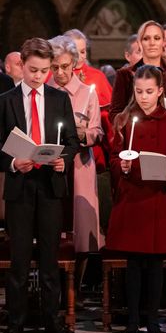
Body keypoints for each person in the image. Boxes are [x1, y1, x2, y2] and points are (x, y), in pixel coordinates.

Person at [0, 38, 79, 333]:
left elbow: (72, 141)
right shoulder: (5, 100)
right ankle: (16, 323)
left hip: (49, 186)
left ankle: (52, 321)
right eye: (33, 70)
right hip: (19, 186)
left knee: (49, 260)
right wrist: (11, 162)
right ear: (21, 64)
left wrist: (64, 160)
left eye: (44, 71)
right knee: (19, 261)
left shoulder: (60, 99)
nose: (38, 77)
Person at [106, 65, 166, 333]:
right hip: (133, 198)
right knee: (134, 264)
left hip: (158, 198)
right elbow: (114, 157)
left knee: (155, 265)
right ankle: (132, 319)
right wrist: (122, 167)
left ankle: (152, 319)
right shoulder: (126, 118)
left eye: (149, 91)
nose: (144, 97)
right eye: (139, 91)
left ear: (160, 91)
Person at [48, 35, 104, 301]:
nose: (60, 73)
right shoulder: (44, 89)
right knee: (54, 227)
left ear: (75, 64)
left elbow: (97, 131)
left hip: (80, 166)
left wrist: (82, 135)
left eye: (65, 67)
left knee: (81, 231)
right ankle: (52, 289)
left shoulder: (87, 92)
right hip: (51, 164)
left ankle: (76, 290)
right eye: (55, 67)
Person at [109, 20, 166, 130]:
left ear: (163, 42)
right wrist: (131, 119)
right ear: (139, 43)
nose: (152, 43)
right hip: (135, 137)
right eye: (146, 38)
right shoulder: (124, 75)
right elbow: (114, 114)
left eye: (157, 38)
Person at [64, 29, 113, 106]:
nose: (80, 57)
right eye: (75, 52)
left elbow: (111, 106)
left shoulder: (97, 75)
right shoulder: (56, 75)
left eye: (82, 52)